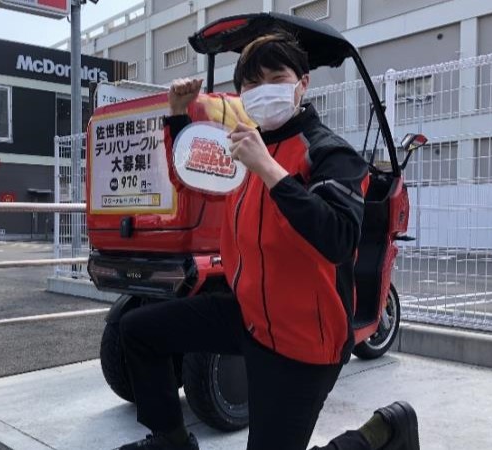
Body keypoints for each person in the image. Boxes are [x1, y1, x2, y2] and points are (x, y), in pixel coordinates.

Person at [117, 32, 420, 450]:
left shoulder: (330, 153)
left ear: (302, 84)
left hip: (304, 339)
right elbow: (195, 181)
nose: (262, 91)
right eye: (251, 84)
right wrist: (176, 118)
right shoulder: (245, 147)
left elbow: (336, 237)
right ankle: (171, 440)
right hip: (249, 313)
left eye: (276, 77)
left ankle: (381, 434)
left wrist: (269, 170)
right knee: (137, 331)